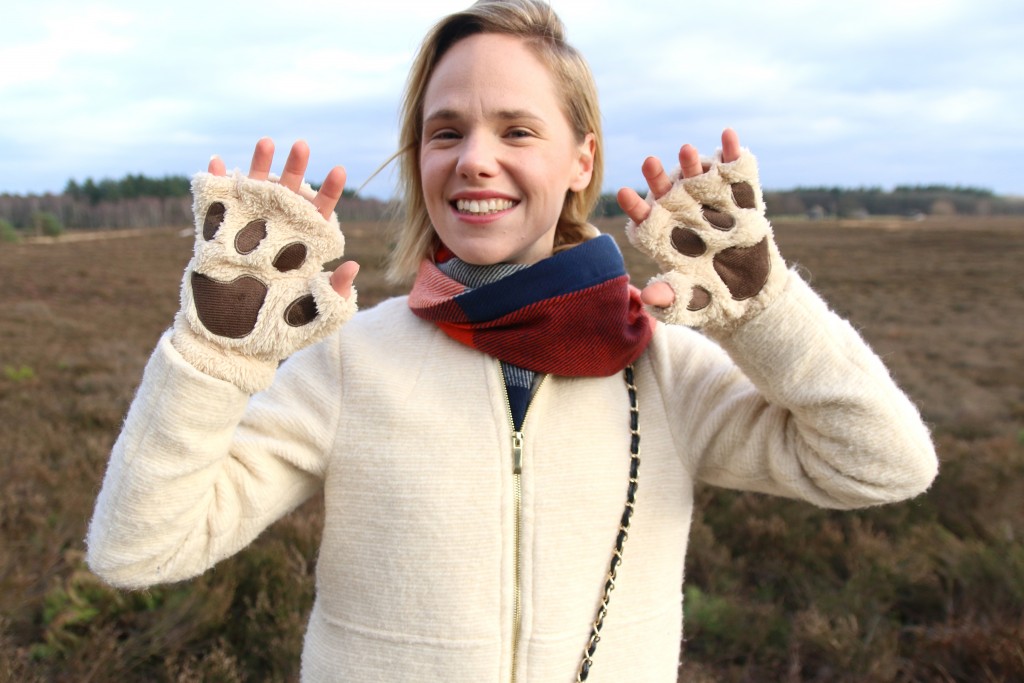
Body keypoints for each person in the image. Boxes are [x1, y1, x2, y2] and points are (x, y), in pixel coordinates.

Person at [86, 0, 938, 681]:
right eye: (445, 131)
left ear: (581, 158)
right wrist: (216, 354)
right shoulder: (352, 363)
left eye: (517, 130)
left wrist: (764, 308)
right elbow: (139, 548)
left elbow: (885, 462)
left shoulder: (663, 364)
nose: (474, 160)